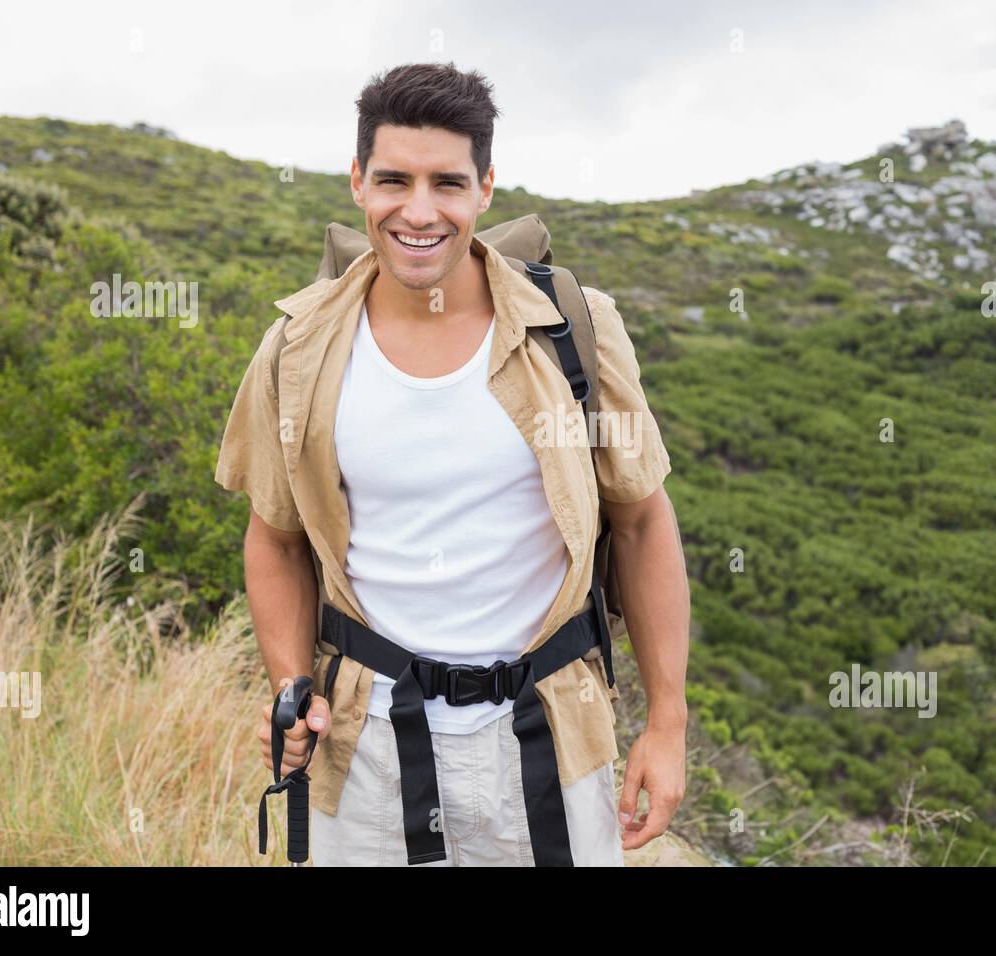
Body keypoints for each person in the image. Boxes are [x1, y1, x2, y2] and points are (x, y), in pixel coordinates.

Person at [215, 61, 690, 866]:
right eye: (395, 180)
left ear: (487, 188)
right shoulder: (296, 348)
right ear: (358, 181)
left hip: (551, 739)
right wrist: (292, 687)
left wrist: (668, 725)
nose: (420, 211)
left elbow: (643, 522)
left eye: (448, 182)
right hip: (364, 748)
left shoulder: (575, 329)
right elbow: (276, 538)